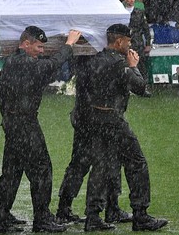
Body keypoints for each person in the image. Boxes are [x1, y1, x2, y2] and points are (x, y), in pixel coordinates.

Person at [0, 26, 81, 234]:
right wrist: (69, 44)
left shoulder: (11, 62)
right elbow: (52, 65)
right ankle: (41, 219)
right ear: (26, 43)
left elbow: (1, 92)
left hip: (13, 123)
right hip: (24, 124)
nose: (41, 51)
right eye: (39, 46)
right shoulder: (24, 63)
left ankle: (1, 218)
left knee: (11, 173)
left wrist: (7, 117)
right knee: (42, 170)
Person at [83, 24, 168, 232]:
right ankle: (141, 215)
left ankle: (93, 216)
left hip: (95, 118)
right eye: (128, 41)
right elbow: (139, 88)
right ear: (119, 41)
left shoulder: (96, 60)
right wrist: (134, 66)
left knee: (101, 167)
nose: (130, 45)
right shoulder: (118, 63)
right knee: (137, 163)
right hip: (112, 119)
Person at [56, 56, 133, 225]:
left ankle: (66, 208)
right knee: (103, 163)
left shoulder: (90, 62)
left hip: (87, 117)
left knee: (85, 163)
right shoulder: (98, 62)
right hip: (94, 118)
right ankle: (104, 209)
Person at [120, 0, 152, 96]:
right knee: (125, 64)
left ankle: (143, 88)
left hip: (137, 41)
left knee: (141, 65)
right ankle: (126, 87)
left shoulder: (139, 12)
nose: (131, 0)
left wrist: (148, 43)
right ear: (125, 0)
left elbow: (146, 29)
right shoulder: (120, 12)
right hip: (124, 42)